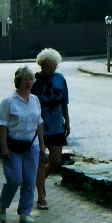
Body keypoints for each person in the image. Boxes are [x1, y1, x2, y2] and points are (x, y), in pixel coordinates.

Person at [0, 66, 46, 223]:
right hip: (13, 146)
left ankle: (25, 212)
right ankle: (2, 203)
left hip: (31, 146)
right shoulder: (8, 102)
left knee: (29, 180)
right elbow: (3, 126)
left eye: (31, 79)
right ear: (18, 81)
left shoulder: (35, 100)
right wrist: (4, 148)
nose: (29, 82)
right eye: (25, 80)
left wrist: (42, 146)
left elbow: (39, 124)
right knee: (15, 179)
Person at [32, 48, 69, 211]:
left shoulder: (60, 79)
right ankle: (41, 196)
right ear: (43, 65)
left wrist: (67, 120)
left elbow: (64, 102)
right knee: (40, 160)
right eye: (50, 65)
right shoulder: (34, 82)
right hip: (38, 127)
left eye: (55, 65)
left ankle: (40, 180)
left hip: (56, 125)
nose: (53, 68)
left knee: (55, 160)